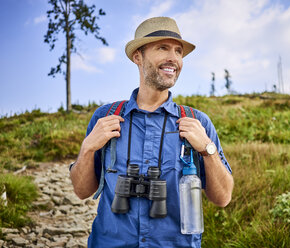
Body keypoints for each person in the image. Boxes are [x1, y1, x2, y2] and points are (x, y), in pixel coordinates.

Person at [70, 16, 234, 248]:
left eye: (178, 51)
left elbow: (223, 198)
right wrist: (87, 148)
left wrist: (208, 150)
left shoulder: (198, 122)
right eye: (163, 48)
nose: (174, 58)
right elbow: (81, 191)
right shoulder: (105, 117)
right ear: (138, 56)